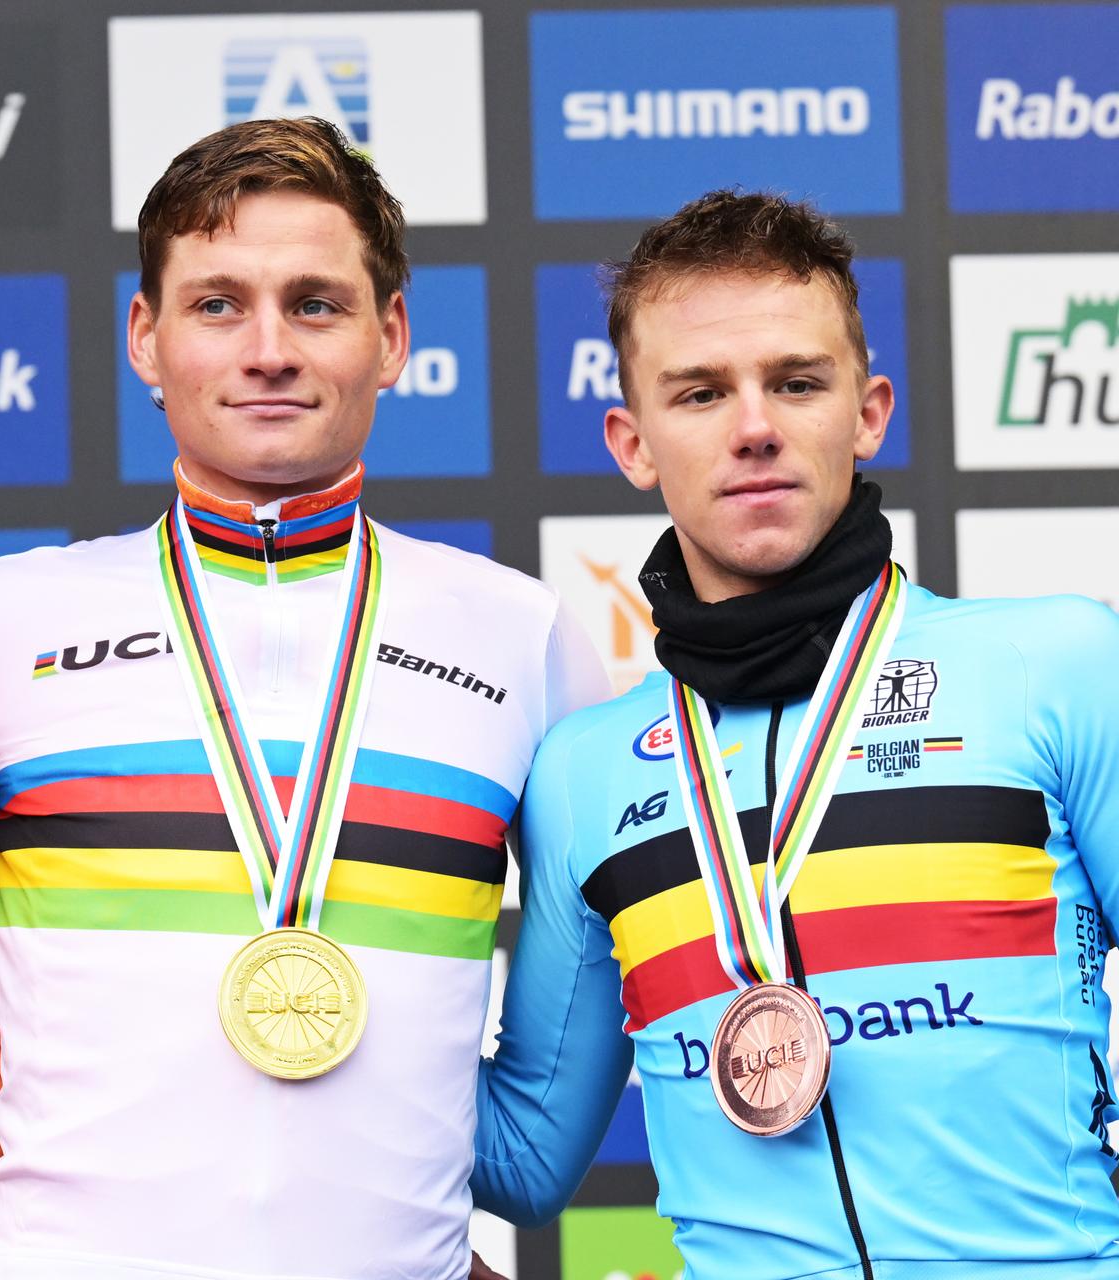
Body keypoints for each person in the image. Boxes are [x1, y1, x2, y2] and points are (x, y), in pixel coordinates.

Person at [0, 116, 608, 1280]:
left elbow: (534, 1135)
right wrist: (53, 1133)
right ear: (146, 335)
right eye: (218, 302)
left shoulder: (523, 634)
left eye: (317, 303)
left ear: (391, 338)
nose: (269, 347)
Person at [471, 190, 1119, 1277]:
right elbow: (526, 1156)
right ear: (633, 442)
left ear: (867, 413)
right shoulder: (583, 774)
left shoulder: (1053, 664)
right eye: (701, 391)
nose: (755, 424)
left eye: (796, 381)